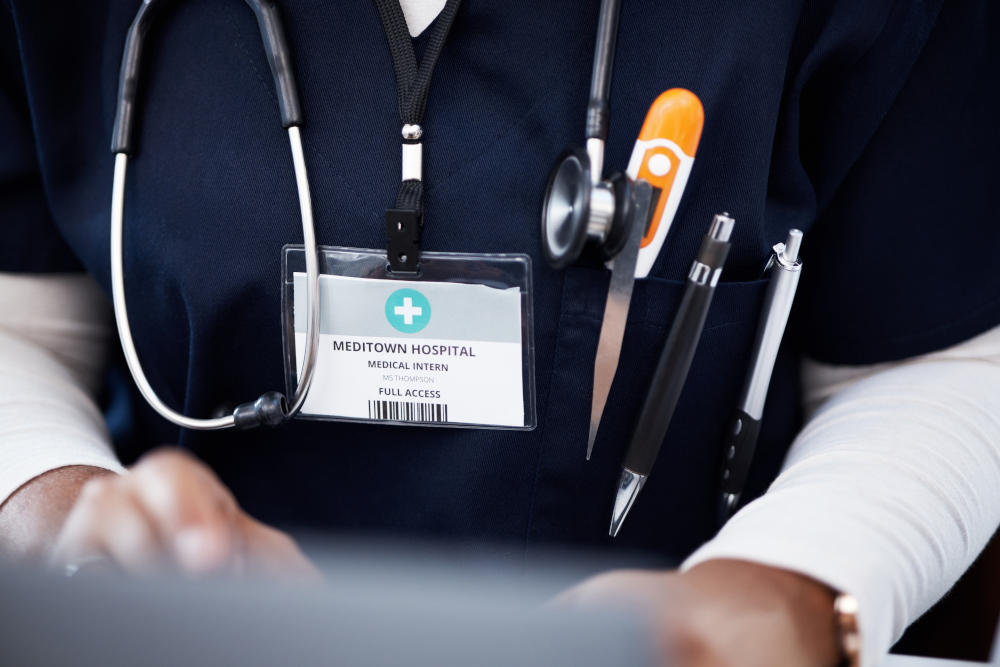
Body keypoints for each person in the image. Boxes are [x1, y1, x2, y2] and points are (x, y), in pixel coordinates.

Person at [1, 0, 999, 665]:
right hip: (179, 640)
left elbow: (934, 349)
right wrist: (66, 522)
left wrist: (798, 580)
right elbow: (21, 326)